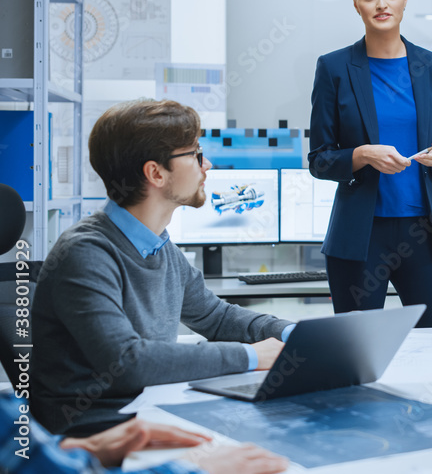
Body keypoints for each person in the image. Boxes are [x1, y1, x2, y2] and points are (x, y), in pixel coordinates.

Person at [33, 100, 296, 436]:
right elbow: (127, 362)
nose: (208, 165)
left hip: (149, 409)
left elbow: (217, 318)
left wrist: (295, 335)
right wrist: (249, 356)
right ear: (156, 173)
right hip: (94, 432)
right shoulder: (86, 253)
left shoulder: (160, 247)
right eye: (196, 155)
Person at [308, 0, 432, 328]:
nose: (381, 4)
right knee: (357, 355)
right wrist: (361, 155)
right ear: (356, 4)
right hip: (361, 236)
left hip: (424, 233)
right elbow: (319, 160)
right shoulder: (334, 68)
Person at [0, 393, 287, 474]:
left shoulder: (164, 253)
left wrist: (76, 448)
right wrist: (196, 469)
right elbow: (127, 355)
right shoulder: (87, 250)